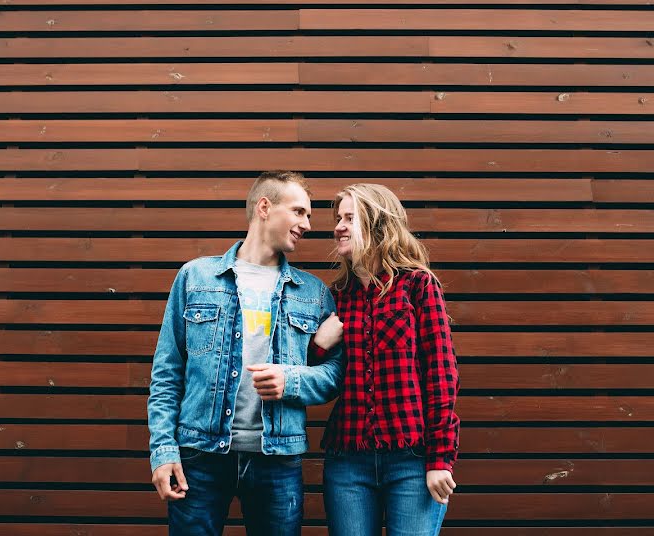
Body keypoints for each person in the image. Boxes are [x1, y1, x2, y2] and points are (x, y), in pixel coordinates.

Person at [148, 170, 345, 536]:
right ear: (265, 207)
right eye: (300, 211)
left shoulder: (313, 293)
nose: (308, 224)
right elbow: (167, 373)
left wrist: (292, 380)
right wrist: (163, 452)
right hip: (199, 455)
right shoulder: (195, 277)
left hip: (277, 458)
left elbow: (337, 374)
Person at [312, 183, 460, 536]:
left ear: (378, 225)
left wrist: (440, 459)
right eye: (338, 218)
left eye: (350, 218)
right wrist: (318, 346)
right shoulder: (335, 297)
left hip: (412, 459)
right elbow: (314, 376)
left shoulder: (418, 286)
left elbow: (441, 373)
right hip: (348, 461)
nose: (338, 227)